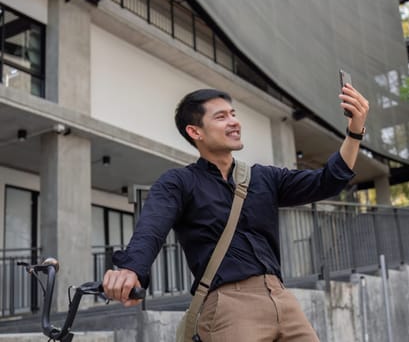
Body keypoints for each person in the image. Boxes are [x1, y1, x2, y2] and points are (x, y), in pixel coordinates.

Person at [103, 83, 369, 341]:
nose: (234, 122)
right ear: (196, 132)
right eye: (221, 116)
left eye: (233, 114)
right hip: (229, 304)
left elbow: (328, 181)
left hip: (282, 298)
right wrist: (131, 269)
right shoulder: (179, 182)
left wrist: (355, 131)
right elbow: (153, 227)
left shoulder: (264, 178)